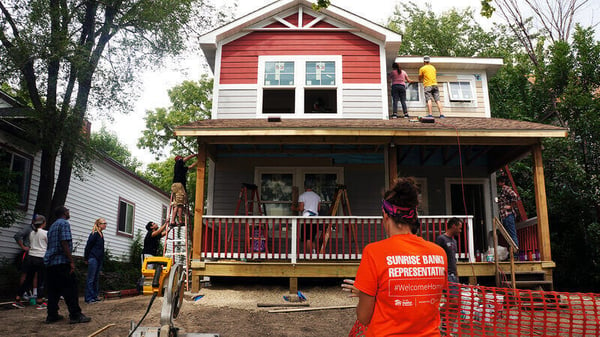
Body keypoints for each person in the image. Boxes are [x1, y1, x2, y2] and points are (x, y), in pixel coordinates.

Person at [342, 177, 447, 336]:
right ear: (413, 217)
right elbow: (422, 298)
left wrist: (367, 294)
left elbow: (363, 317)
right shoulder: (439, 253)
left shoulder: (374, 252)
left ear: (385, 215)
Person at [44, 206, 91, 324]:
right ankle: (75, 315)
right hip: (62, 261)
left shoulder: (52, 226)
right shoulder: (64, 223)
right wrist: (71, 261)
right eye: (68, 211)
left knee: (53, 290)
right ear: (65, 213)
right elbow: (64, 242)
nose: (69, 213)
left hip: (51, 263)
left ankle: (52, 315)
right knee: (70, 288)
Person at [13, 215, 47, 309]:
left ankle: (18, 298)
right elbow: (48, 245)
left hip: (31, 257)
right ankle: (40, 302)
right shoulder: (45, 233)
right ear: (43, 223)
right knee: (40, 279)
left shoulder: (32, 233)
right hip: (40, 258)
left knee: (28, 279)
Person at [13, 215, 37, 306]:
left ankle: (35, 293)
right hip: (27, 254)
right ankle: (23, 293)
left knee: (35, 273)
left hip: (35, 254)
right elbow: (17, 235)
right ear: (33, 221)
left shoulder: (38, 230)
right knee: (25, 273)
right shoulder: (28, 228)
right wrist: (23, 246)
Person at [292, 180, 321, 254]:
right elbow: (318, 209)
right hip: (315, 218)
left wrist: (294, 208)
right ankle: (314, 253)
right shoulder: (317, 196)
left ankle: (309, 255)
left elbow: (301, 208)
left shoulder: (302, 196)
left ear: (304, 186)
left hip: (306, 218)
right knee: (312, 238)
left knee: (307, 238)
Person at [83, 218, 107, 304]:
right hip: (93, 258)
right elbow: (88, 246)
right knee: (91, 278)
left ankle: (94, 296)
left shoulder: (101, 235)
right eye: (104, 223)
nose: (105, 225)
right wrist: (86, 258)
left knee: (96, 278)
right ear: (99, 224)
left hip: (99, 259)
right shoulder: (94, 234)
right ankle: (88, 297)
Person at [170, 154, 197, 226]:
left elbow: (190, 166)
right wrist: (195, 155)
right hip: (179, 186)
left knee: (176, 204)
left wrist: (199, 161)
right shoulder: (178, 163)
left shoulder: (181, 169)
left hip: (175, 186)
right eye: (181, 158)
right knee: (179, 205)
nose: (182, 159)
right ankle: (179, 221)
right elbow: (186, 159)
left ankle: (173, 221)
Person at [435, 217, 463, 284]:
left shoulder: (454, 241)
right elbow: (436, 256)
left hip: (453, 275)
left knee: (455, 294)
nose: (460, 231)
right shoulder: (441, 239)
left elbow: (453, 258)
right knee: (452, 294)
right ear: (453, 226)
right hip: (445, 274)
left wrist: (456, 274)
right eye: (459, 228)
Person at [497, 176, 519, 247]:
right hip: (504, 216)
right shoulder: (502, 190)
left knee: (512, 234)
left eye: (499, 182)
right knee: (509, 235)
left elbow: (515, 196)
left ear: (502, 182)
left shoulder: (506, 188)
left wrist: (510, 206)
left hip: (508, 215)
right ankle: (513, 253)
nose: (498, 183)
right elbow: (505, 200)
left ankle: (515, 255)